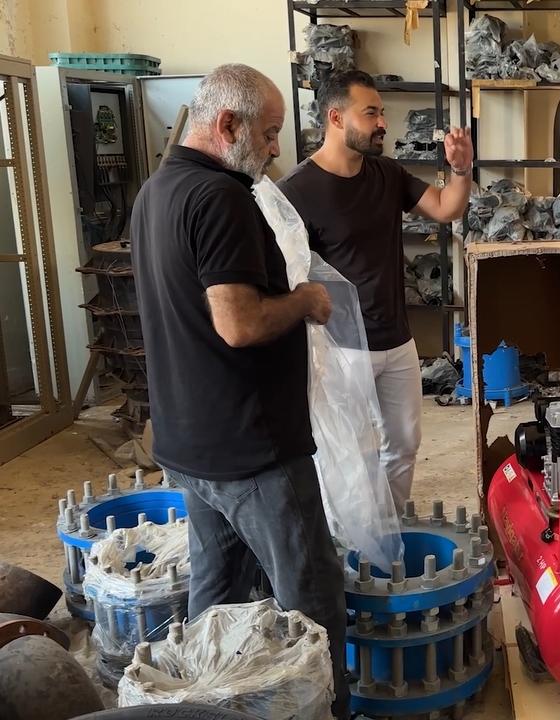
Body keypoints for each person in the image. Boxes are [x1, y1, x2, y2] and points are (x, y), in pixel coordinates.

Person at [130, 64, 349, 719]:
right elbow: (240, 323)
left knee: (217, 599)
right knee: (311, 599)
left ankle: (210, 709)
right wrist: (305, 299)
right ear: (227, 124)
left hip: (190, 445)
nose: (276, 149)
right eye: (270, 132)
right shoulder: (220, 198)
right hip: (253, 452)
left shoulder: (154, 193)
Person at [279, 70, 473, 513]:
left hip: (397, 341)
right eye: (371, 113)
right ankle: (349, 537)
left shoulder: (387, 173)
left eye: (382, 112)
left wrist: (461, 169)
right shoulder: (297, 190)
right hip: (343, 347)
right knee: (350, 455)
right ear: (335, 117)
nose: (383, 122)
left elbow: (446, 207)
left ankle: (390, 528)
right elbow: (287, 274)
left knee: (403, 445)